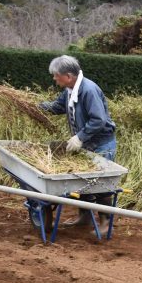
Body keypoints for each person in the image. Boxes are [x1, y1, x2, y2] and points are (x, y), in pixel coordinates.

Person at [39, 55, 117, 228]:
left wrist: (79, 137)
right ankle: (85, 218)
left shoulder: (88, 90)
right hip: (87, 143)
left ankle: (105, 222)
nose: (54, 78)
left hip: (101, 144)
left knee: (102, 184)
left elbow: (99, 120)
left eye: (56, 75)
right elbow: (57, 107)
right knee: (84, 182)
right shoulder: (69, 90)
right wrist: (33, 105)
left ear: (68, 76)